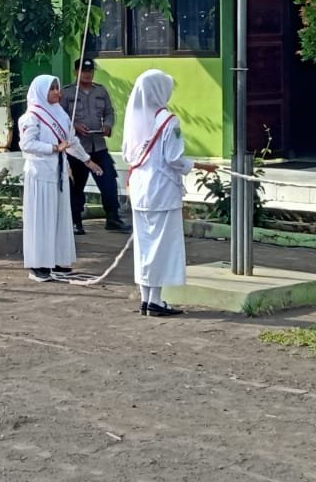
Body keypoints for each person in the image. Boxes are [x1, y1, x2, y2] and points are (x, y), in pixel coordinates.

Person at [122, 68, 214, 317]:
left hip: (139, 188)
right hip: (161, 190)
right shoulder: (168, 120)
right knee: (161, 247)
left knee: (144, 246)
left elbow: (128, 155)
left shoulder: (135, 117)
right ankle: (157, 300)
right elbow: (174, 158)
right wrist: (202, 166)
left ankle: (145, 299)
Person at [17, 73, 99, 284]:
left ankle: (56, 260)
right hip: (40, 173)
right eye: (52, 89)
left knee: (59, 217)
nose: (57, 92)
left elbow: (71, 141)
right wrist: (53, 148)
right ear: (41, 91)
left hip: (58, 173)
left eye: (57, 88)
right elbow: (27, 145)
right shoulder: (31, 116)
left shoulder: (60, 114)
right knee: (41, 219)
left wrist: (87, 161)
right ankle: (38, 265)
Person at [61, 57, 126, 235]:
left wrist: (108, 125)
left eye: (90, 71)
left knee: (109, 182)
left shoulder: (101, 91)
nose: (87, 74)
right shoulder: (67, 93)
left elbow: (109, 112)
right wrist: (74, 126)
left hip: (98, 145)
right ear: (76, 72)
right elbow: (60, 118)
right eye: (83, 71)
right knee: (76, 186)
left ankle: (113, 218)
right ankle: (75, 221)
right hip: (76, 149)